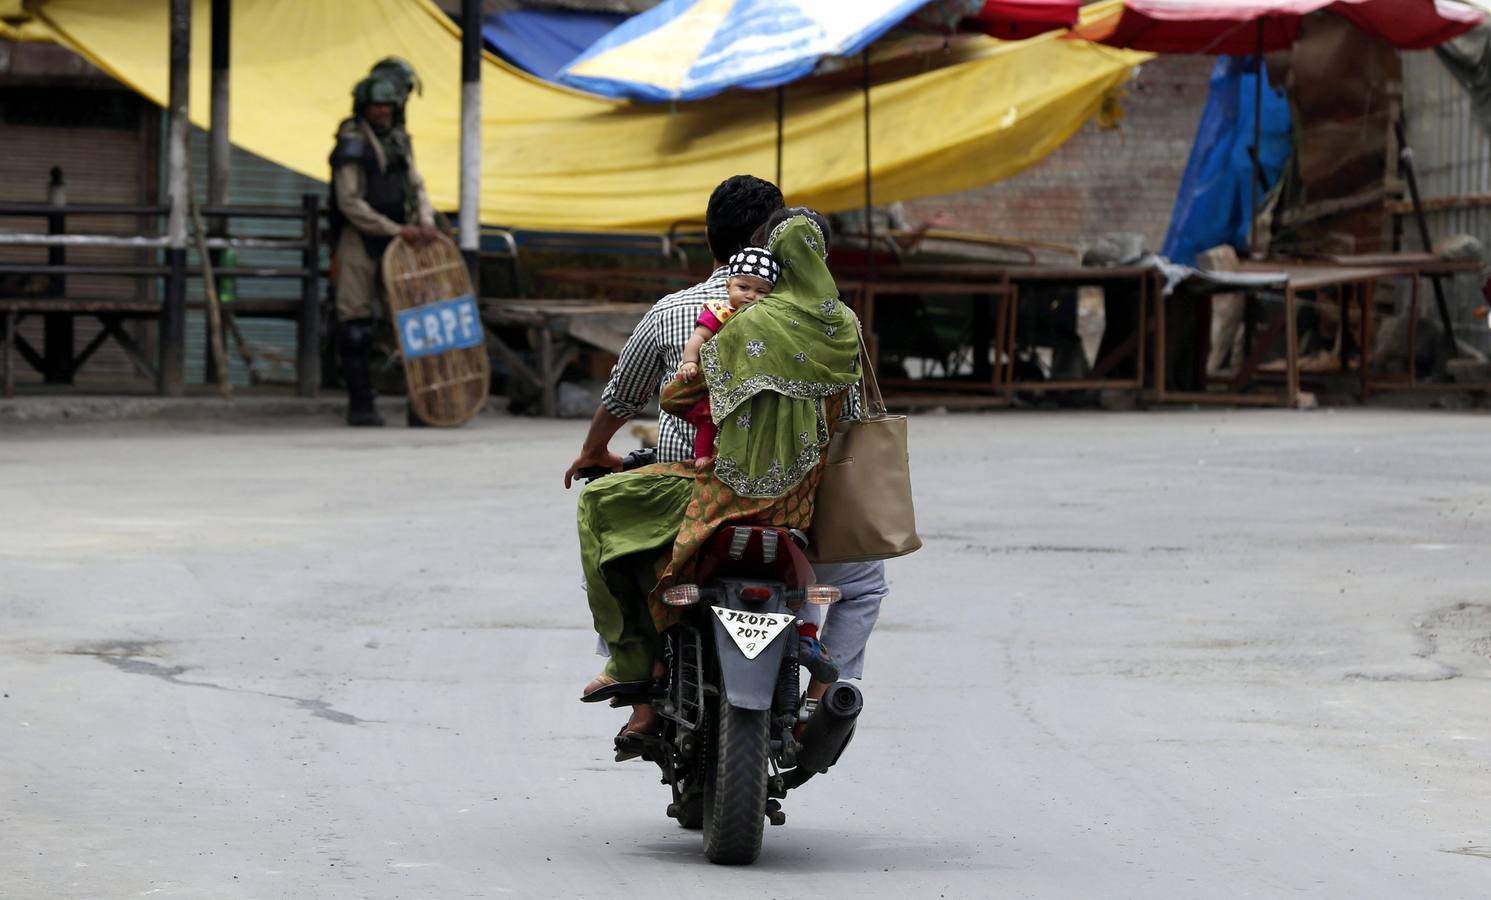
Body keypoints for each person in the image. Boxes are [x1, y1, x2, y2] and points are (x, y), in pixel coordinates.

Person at [573, 209, 863, 744]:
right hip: (800, 505)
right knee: (861, 585)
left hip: (725, 495)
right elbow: (856, 417)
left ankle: (636, 668)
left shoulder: (745, 322)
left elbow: (680, 398)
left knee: (605, 509)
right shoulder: (845, 328)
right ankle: (819, 692)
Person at [328, 73, 439, 427]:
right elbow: (349, 201)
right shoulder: (352, 141)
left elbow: (417, 185)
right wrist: (395, 230)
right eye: (376, 105)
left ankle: (421, 405)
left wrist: (425, 221)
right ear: (364, 107)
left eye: (388, 105)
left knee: (413, 323)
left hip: (401, 240)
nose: (383, 111)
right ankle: (361, 404)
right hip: (361, 239)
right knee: (355, 323)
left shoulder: (399, 140)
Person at [675, 245, 779, 470]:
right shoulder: (720, 313)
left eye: (761, 292)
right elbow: (698, 338)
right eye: (743, 287)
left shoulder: (766, 320)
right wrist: (690, 362)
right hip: (719, 381)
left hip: (746, 383)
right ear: (728, 285)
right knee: (709, 418)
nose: (751, 295)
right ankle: (702, 454)